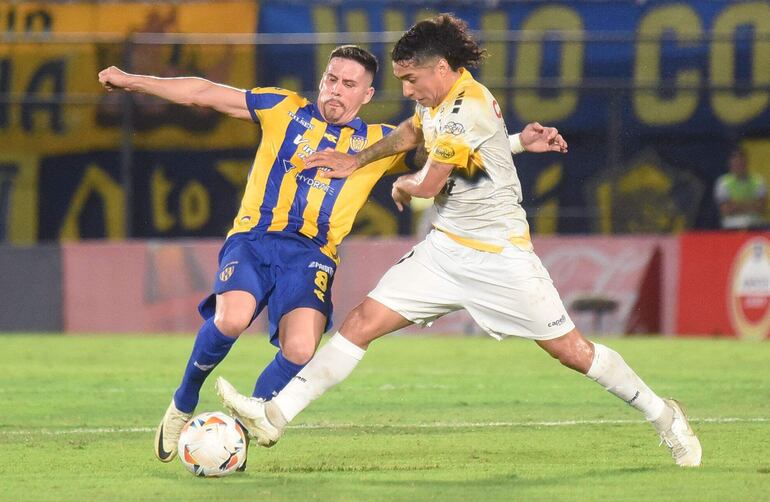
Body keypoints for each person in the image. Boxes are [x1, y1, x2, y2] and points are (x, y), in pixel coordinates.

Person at [216, 14, 702, 468]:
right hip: (444, 251)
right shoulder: (437, 104)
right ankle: (275, 416)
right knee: (361, 322)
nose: (407, 90)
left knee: (574, 352)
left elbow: (428, 185)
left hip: (501, 259)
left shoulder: (464, 108)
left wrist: (402, 185)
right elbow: (413, 133)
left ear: (441, 69)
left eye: (411, 80)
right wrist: (359, 158)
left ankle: (665, 415)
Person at [97, 45, 562, 465]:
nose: (334, 91)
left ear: (367, 93)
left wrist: (519, 142)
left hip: (313, 255)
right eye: (330, 79)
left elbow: (454, 151)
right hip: (255, 239)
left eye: (347, 84)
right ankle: (183, 402)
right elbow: (204, 92)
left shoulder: (378, 143)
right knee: (232, 319)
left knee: (302, 349)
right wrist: (133, 81)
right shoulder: (283, 108)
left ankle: (234, 433)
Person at [714, 147, 767, 230]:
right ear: (730, 162)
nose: (739, 163)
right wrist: (751, 204)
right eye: (736, 160)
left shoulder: (758, 181)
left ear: (746, 161)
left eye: (741, 160)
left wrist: (735, 204)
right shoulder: (723, 183)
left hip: (755, 225)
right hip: (731, 226)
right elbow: (726, 210)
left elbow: (761, 208)